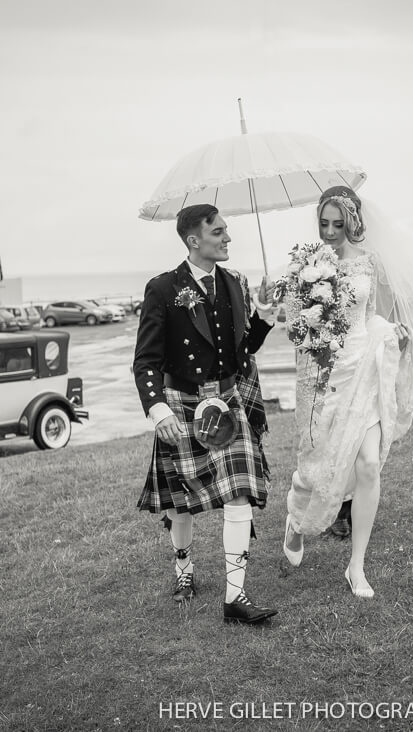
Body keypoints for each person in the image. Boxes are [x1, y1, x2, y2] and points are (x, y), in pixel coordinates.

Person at [281, 186, 413, 598]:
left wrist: (393, 332)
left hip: (365, 368)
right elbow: (297, 328)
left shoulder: (369, 263)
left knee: (367, 466)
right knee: (316, 469)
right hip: (326, 377)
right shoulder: (305, 266)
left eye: (338, 224)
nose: (329, 231)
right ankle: (296, 521)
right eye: (324, 223)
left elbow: (373, 314)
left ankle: (356, 567)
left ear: (353, 223)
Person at [133, 203, 278, 624]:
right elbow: (145, 360)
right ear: (194, 240)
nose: (227, 237)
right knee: (181, 503)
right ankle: (184, 571)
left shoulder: (234, 283)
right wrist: (158, 410)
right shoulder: (163, 289)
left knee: (239, 493)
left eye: (227, 230)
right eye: (218, 232)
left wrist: (263, 315)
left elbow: (244, 347)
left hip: (228, 402)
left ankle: (236, 596)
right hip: (183, 404)